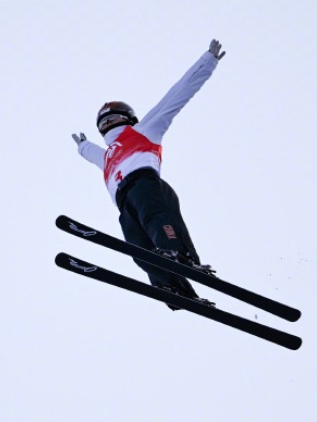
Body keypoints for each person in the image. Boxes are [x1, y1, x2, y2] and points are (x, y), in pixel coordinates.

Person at [70, 39, 226, 309]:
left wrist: (208, 62)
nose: (108, 124)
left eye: (112, 118)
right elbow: (90, 153)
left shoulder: (143, 131)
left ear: (128, 118)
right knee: (140, 249)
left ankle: (181, 255)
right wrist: (83, 146)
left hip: (145, 186)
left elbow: (177, 96)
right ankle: (172, 288)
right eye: (103, 123)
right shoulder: (106, 157)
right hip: (124, 202)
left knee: (158, 222)